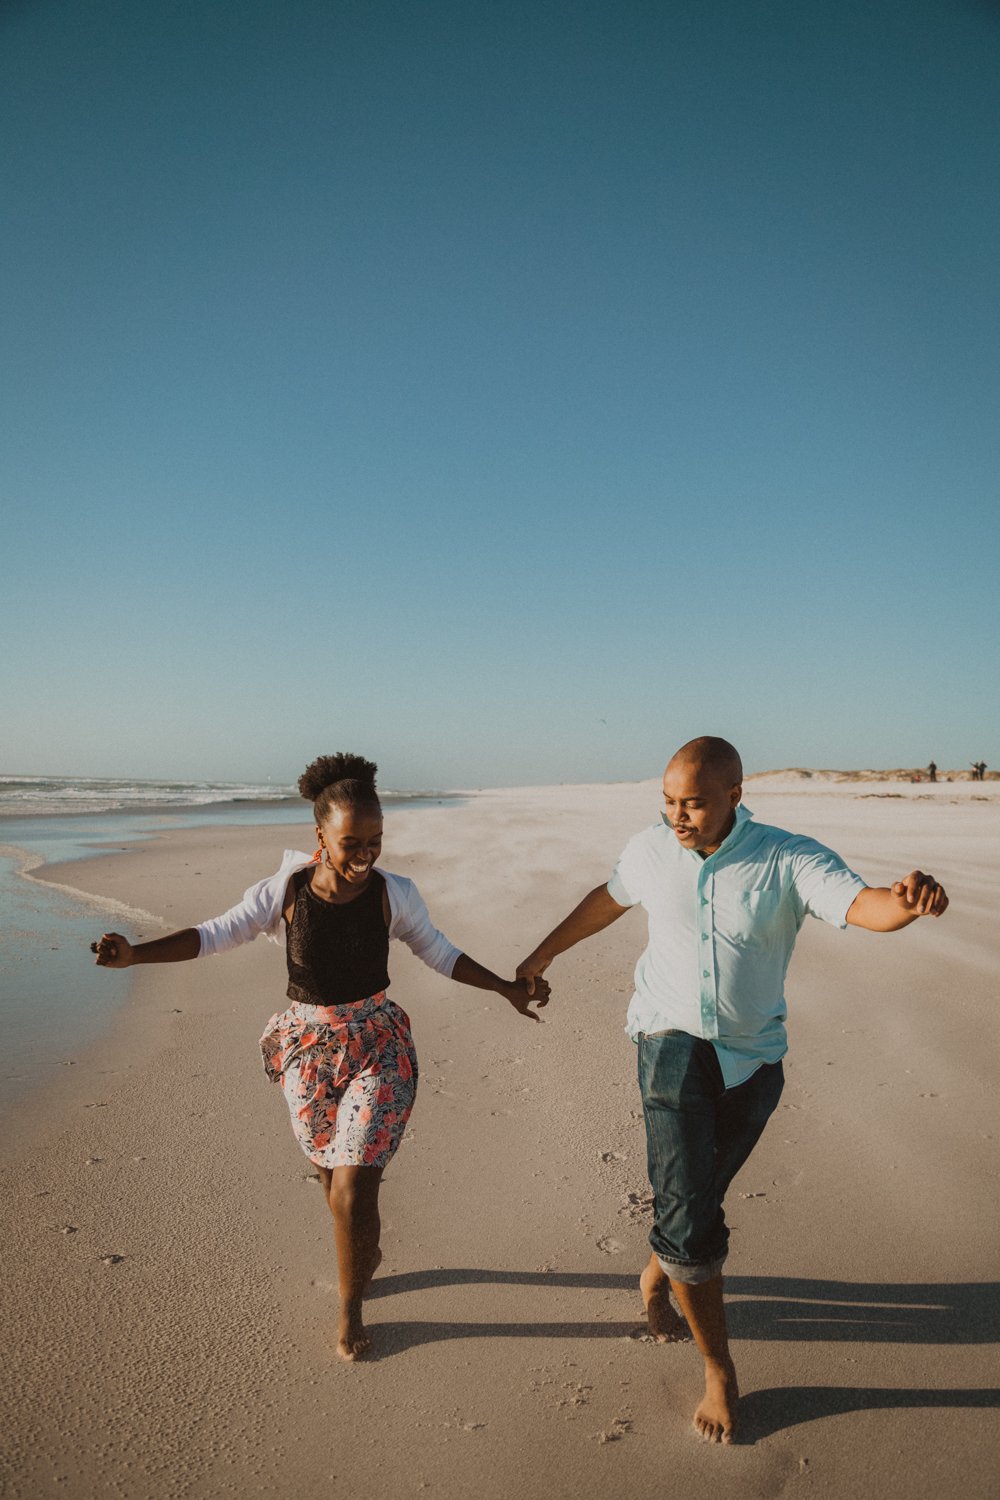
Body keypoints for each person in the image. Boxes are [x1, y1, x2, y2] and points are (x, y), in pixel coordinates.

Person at [516, 736, 948, 1445]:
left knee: (696, 1198)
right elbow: (608, 898)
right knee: (691, 1216)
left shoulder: (786, 856)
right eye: (667, 801)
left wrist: (905, 905)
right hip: (668, 1041)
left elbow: (862, 904)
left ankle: (664, 1261)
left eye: (692, 802)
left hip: (753, 1060)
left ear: (735, 797)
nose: (677, 815)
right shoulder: (652, 849)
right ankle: (719, 1367)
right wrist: (541, 953)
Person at [93, 752, 548, 1361]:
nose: (365, 856)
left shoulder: (396, 895)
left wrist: (506, 988)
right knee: (329, 1178)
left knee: (356, 1185)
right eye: (351, 842)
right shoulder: (282, 892)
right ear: (320, 837)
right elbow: (211, 934)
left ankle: (350, 1305)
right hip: (306, 1050)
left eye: (376, 841)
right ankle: (359, 1249)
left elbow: (440, 952)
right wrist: (134, 955)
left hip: (378, 1043)